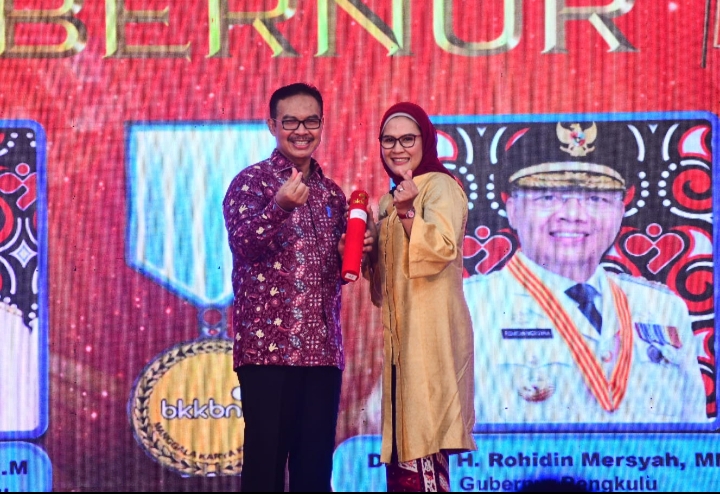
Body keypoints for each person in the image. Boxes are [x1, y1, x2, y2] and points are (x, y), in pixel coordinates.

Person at [464, 122, 708, 425]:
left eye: (596, 198)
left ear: (620, 211)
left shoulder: (663, 309)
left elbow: (696, 439)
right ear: (512, 210)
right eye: (548, 197)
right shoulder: (466, 308)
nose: (573, 214)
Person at [223, 83, 370, 492]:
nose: (301, 130)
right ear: (272, 125)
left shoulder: (332, 194)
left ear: (322, 125)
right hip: (267, 354)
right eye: (291, 121)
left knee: (314, 473)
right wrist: (280, 207)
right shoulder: (251, 183)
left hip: (322, 354)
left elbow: (338, 272)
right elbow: (243, 244)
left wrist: (350, 251)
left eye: (311, 121)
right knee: (265, 472)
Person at [364, 102, 477, 492]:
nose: (397, 149)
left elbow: (442, 249)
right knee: (405, 455)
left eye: (407, 139)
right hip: (403, 342)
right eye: (388, 140)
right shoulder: (389, 200)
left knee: (424, 448)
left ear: (425, 141)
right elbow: (384, 289)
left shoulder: (440, 186)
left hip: (432, 338)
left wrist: (409, 213)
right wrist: (369, 248)